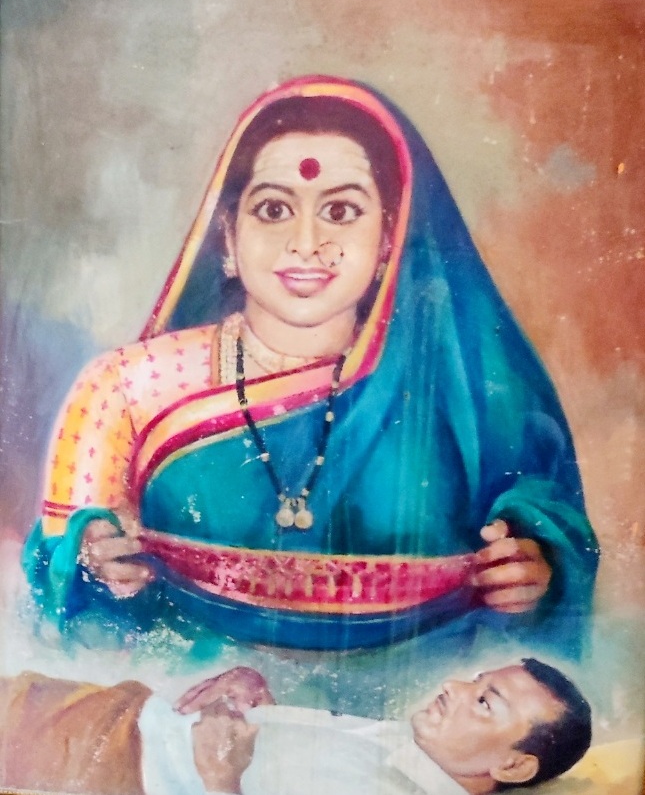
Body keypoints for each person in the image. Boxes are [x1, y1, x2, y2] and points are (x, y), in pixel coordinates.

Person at [23, 75, 599, 656]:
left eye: (341, 211)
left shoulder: (460, 396)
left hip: (419, 698)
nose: (306, 242)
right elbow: (57, 584)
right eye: (273, 209)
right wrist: (91, 560)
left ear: (388, 241)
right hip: (193, 693)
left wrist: (533, 573)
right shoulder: (126, 388)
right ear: (228, 238)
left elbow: (547, 537)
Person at [0, 660, 592, 795]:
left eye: (484, 701)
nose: (455, 687)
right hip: (123, 719)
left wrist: (219, 777)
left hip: (111, 766)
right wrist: (261, 702)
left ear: (514, 764)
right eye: (475, 679)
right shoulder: (410, 754)